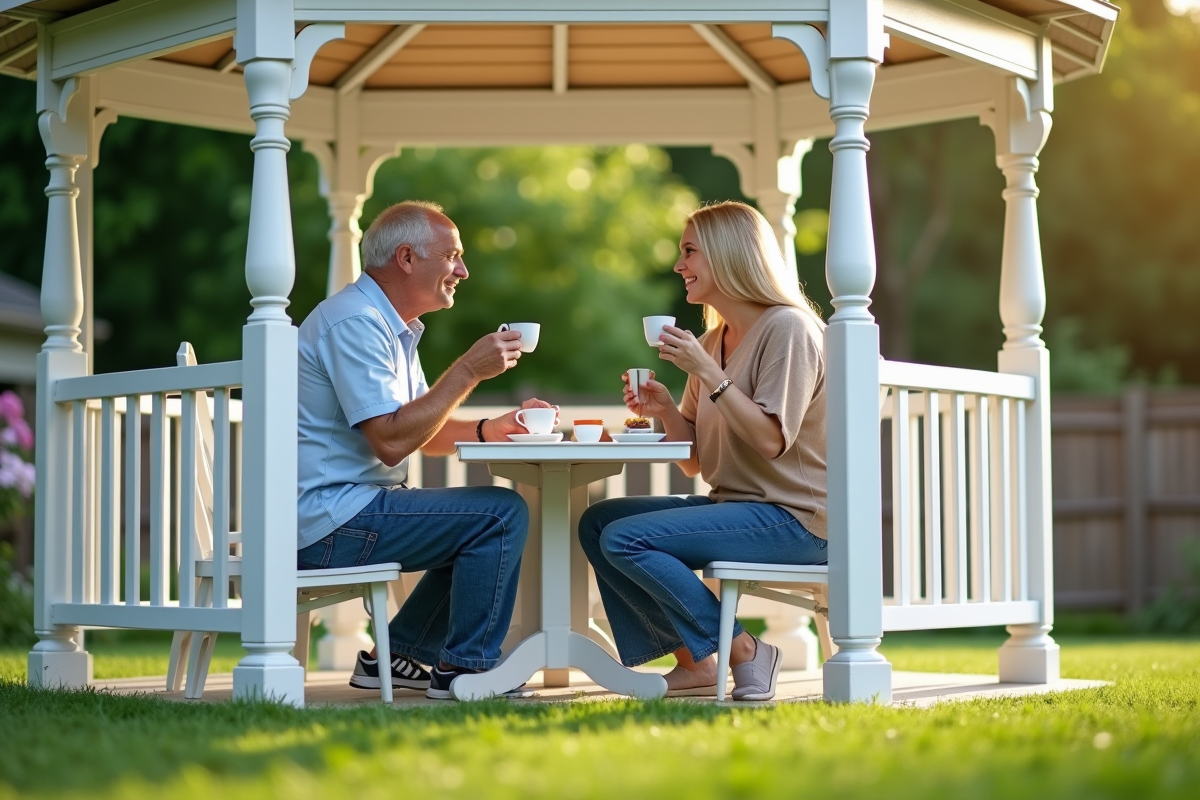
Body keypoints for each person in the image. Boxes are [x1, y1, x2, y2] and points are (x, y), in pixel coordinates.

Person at [297, 200, 553, 700]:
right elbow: (391, 441)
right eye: (453, 256)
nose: (463, 270)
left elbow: (420, 430)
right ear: (408, 258)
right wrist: (467, 371)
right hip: (327, 522)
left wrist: (489, 428)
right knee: (497, 514)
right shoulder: (354, 322)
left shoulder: (390, 327)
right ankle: (467, 671)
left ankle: (401, 656)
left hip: (344, 511)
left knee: (475, 517)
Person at [579, 201, 828, 701]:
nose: (678, 266)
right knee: (599, 523)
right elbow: (694, 459)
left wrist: (710, 375)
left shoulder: (789, 329)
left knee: (626, 540)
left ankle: (743, 651)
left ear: (729, 256)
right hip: (737, 509)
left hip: (798, 519)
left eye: (689, 252)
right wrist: (667, 408)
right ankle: (695, 662)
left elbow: (771, 440)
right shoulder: (713, 341)